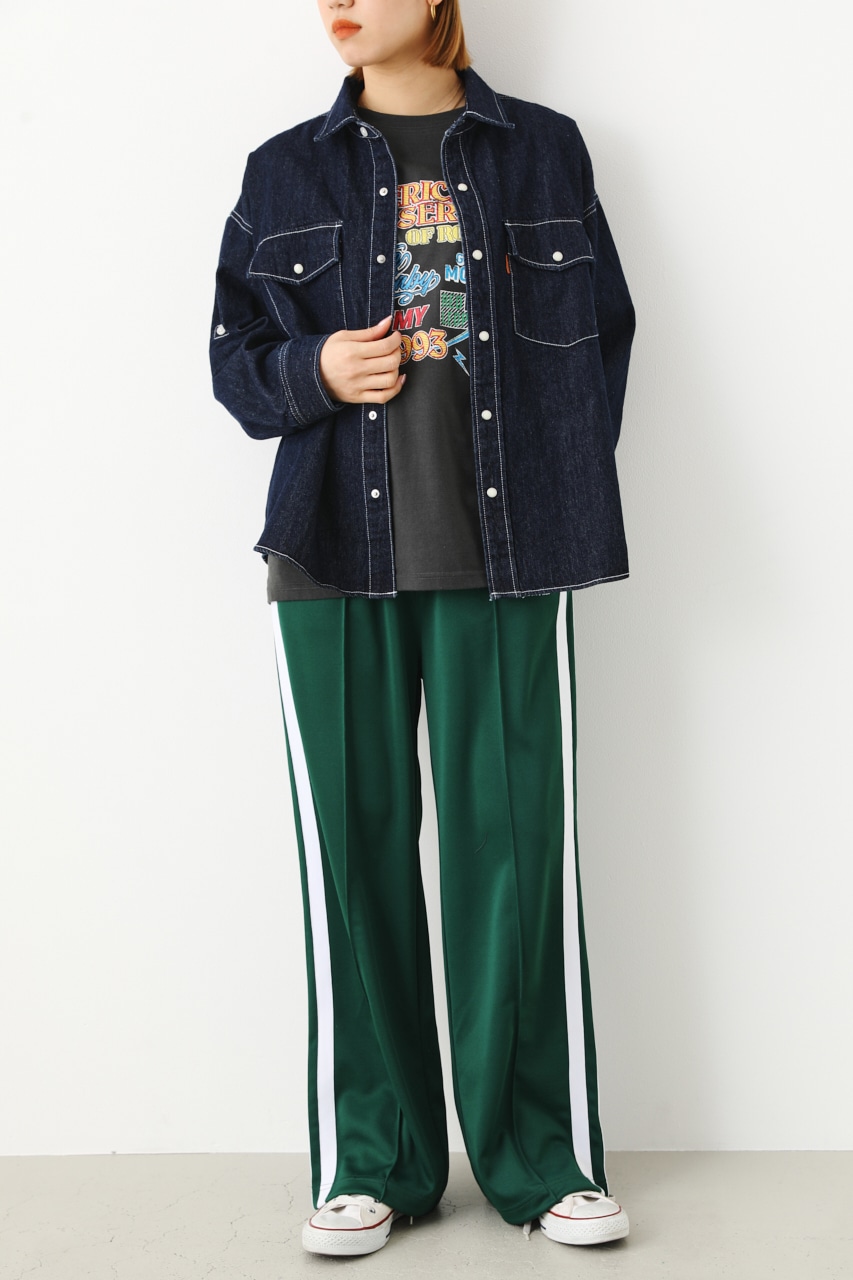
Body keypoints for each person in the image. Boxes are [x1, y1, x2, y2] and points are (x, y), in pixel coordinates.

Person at [209, 0, 636, 1258]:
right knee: (354, 863)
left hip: (505, 561)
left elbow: (603, 339)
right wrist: (314, 372)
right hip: (330, 554)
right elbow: (235, 360)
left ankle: (539, 1157)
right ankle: (376, 1156)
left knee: (515, 859)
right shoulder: (282, 170)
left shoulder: (543, 149)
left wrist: (552, 487)